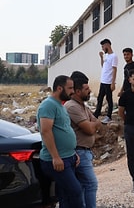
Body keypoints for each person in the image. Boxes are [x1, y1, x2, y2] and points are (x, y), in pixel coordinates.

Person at [36, 75, 84, 207]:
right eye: (70, 88)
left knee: (65, 195)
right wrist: (56, 157)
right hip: (57, 160)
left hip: (68, 158)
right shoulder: (48, 105)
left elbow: (63, 129)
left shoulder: (60, 105)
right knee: (76, 191)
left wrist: (72, 153)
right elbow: (46, 131)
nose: (73, 91)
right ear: (59, 88)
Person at [65, 71, 101, 208]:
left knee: (84, 186)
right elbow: (91, 128)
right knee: (91, 184)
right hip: (79, 152)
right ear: (78, 91)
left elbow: (96, 122)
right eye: (86, 89)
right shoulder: (72, 106)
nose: (90, 91)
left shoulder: (82, 106)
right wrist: (94, 125)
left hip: (86, 152)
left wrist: (94, 124)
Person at [94, 38, 118, 123]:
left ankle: (109, 116)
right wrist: (101, 57)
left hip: (108, 82)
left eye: (103, 46)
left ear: (107, 45)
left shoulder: (114, 56)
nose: (102, 48)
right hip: (103, 81)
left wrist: (113, 83)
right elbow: (103, 66)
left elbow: (115, 69)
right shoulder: (107, 56)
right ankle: (96, 114)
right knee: (100, 98)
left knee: (109, 99)